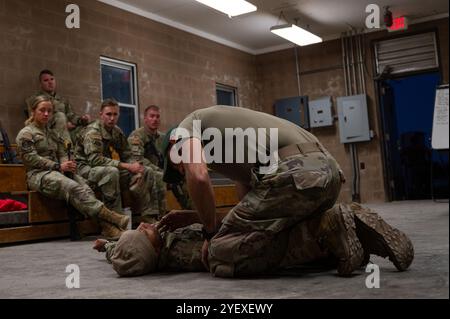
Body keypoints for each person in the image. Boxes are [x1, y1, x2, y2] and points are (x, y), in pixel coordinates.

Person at [159, 105, 413, 277]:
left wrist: (210, 232)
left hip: (293, 173)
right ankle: (341, 228)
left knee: (218, 253)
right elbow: (252, 206)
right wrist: (197, 216)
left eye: (178, 166)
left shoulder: (184, 129)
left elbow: (199, 178)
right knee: (263, 232)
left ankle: (326, 228)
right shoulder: (228, 135)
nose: (183, 170)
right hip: (327, 174)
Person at [94, 203, 413, 277]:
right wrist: (196, 220)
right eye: (145, 231)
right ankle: (331, 232)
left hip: (241, 242)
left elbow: (120, 252)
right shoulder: (173, 251)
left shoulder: (156, 243)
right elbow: (213, 239)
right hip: (241, 251)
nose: (148, 224)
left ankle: (336, 238)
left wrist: (105, 246)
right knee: (285, 248)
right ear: (150, 247)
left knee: (291, 246)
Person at [16, 95, 129, 239]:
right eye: (42, 110)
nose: (46, 114)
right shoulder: (26, 133)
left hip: (58, 170)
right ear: (33, 111)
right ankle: (112, 219)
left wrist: (67, 165)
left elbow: (62, 152)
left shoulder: (52, 133)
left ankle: (107, 228)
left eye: (49, 111)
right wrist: (58, 165)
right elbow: (31, 159)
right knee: (72, 186)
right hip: (38, 175)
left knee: (86, 188)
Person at [74, 98, 162, 223]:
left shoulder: (116, 131)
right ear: (101, 115)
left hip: (105, 166)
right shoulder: (92, 132)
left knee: (146, 171)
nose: (112, 118)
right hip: (84, 169)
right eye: (108, 114)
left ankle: (148, 217)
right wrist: (127, 166)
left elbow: (127, 154)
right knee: (111, 172)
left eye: (115, 114)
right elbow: (95, 160)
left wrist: (135, 166)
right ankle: (115, 222)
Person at [128, 105, 190, 211]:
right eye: (152, 116)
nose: (155, 119)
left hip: (159, 172)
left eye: (157, 117)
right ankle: (160, 217)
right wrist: (160, 170)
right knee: (160, 176)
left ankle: (192, 211)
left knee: (182, 176)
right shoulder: (137, 136)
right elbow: (138, 159)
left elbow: (172, 155)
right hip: (142, 173)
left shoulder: (163, 137)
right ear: (145, 119)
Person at [25, 69, 91, 144]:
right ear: (40, 84)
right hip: (47, 131)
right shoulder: (34, 99)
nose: (50, 82)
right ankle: (67, 152)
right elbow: (32, 121)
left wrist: (81, 120)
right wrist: (63, 124)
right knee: (60, 116)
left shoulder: (62, 100)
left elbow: (71, 115)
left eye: (52, 79)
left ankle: (87, 153)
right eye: (46, 80)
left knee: (88, 127)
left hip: (66, 131)